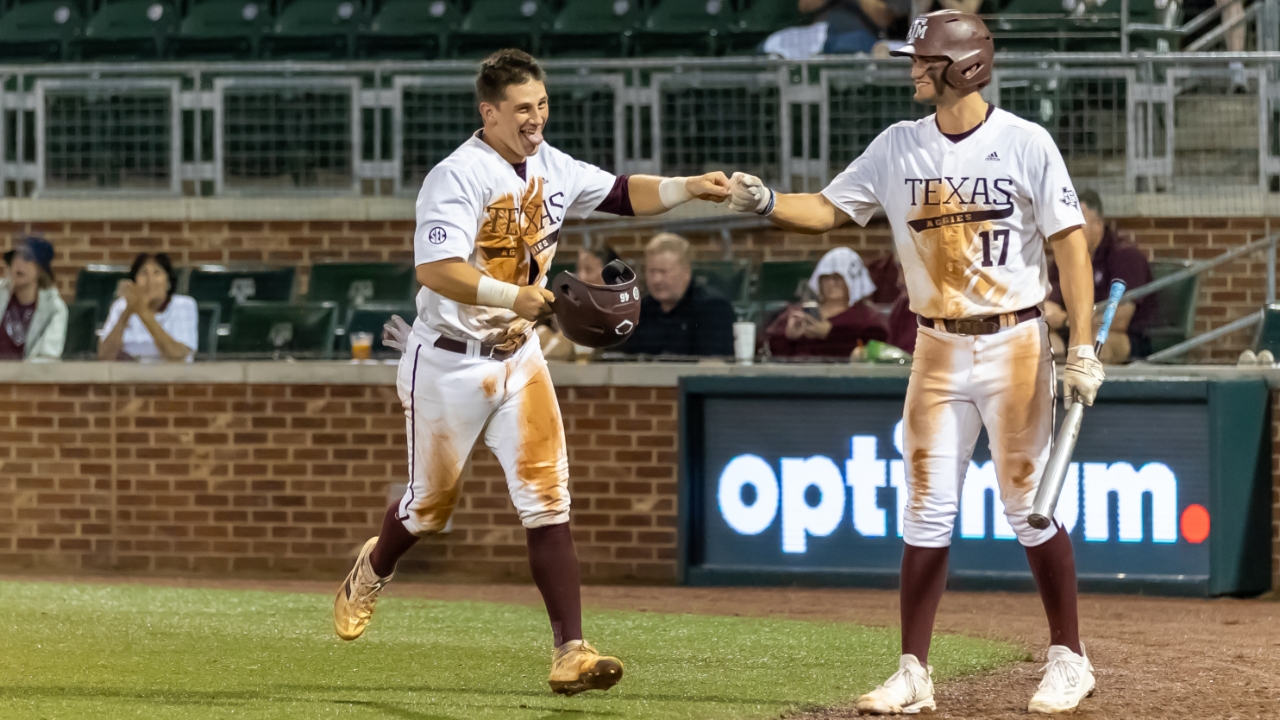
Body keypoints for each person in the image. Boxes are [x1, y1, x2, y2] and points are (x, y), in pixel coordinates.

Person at [726, 11, 1103, 715]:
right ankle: (913, 672)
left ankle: (1068, 656)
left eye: (923, 58)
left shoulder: (1025, 141)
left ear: (963, 65)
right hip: (935, 345)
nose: (911, 67)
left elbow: (1070, 246)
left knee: (1028, 505)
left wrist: (1080, 346)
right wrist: (767, 200)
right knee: (925, 512)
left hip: (1015, 341)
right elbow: (830, 209)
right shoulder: (898, 146)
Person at [331, 49, 731, 697]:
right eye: (522, 108)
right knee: (429, 509)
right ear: (488, 113)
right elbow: (435, 270)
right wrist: (510, 296)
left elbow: (623, 193)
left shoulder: (552, 165)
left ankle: (570, 649)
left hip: (519, 358)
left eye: (541, 104)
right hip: (447, 363)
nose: (535, 117)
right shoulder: (457, 175)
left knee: (547, 501)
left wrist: (689, 188)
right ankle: (373, 568)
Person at [1045, 190, 1155, 363]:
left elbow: (1118, 319)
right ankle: (1056, 390)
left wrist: (1066, 319)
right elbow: (1048, 308)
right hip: (1075, 334)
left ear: (1098, 225)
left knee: (1096, 341)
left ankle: (1091, 390)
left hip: (1128, 338)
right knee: (1042, 340)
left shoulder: (1125, 255)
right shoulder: (1065, 258)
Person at [617, 233, 736, 357]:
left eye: (663, 272)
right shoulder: (640, 310)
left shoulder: (712, 308)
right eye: (651, 271)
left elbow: (714, 367)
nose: (656, 279)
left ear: (686, 272)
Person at [765, 247, 889, 358]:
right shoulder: (798, 312)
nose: (831, 283)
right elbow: (769, 351)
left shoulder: (868, 319)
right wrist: (788, 337)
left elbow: (871, 356)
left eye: (837, 277)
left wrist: (830, 335)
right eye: (825, 277)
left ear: (853, 279)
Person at [97, 253, 199, 362]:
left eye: (157, 273)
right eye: (143, 273)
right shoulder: (121, 306)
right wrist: (127, 313)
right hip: (128, 376)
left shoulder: (183, 305)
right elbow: (104, 357)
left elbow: (178, 356)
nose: (150, 280)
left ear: (168, 282)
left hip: (171, 376)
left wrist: (143, 312)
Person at [0, 236, 66, 361]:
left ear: (40, 269)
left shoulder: (54, 308)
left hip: (30, 378)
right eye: (15, 257)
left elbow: (48, 357)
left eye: (27, 257)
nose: (18, 263)